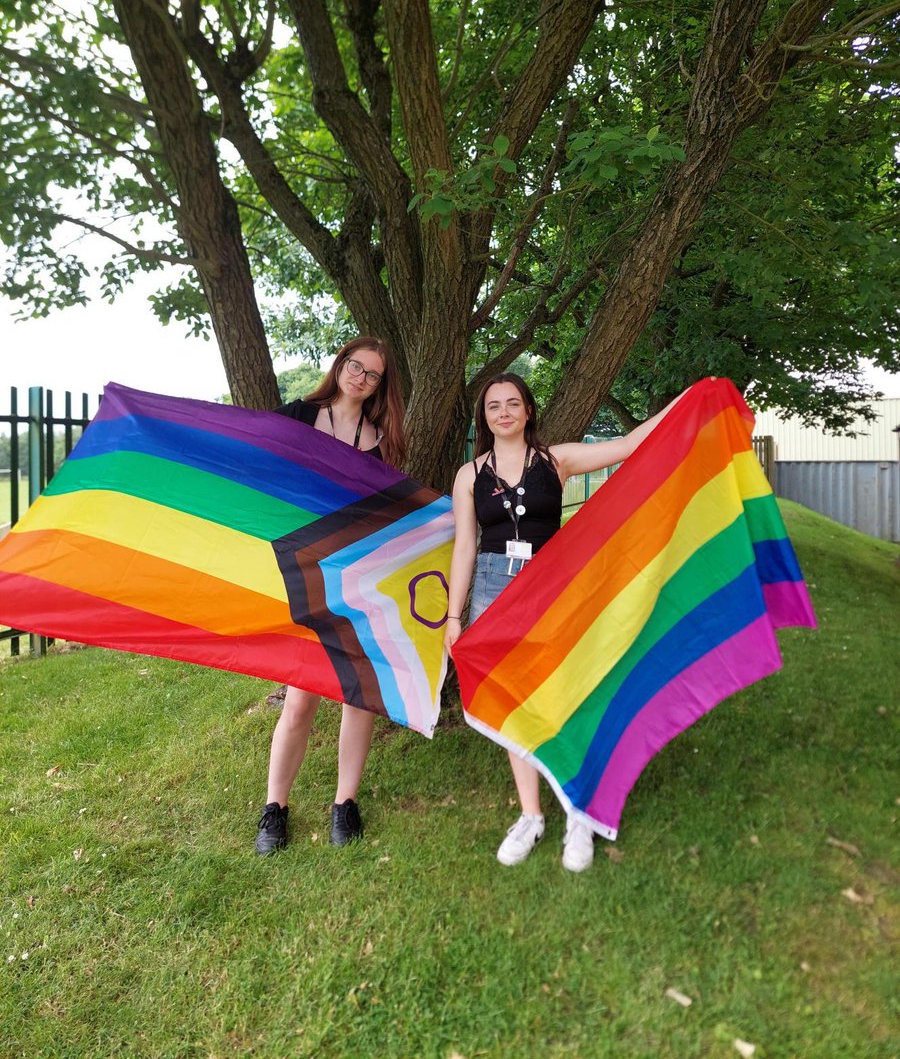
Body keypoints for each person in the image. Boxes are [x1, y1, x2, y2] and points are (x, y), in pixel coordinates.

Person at [444, 372, 680, 873]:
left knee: (567, 698)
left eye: (513, 403)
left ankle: (579, 813)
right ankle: (531, 815)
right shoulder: (469, 475)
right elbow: (465, 546)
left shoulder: (558, 460)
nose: (503, 412)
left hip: (552, 590)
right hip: (492, 591)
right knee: (514, 703)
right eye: (493, 406)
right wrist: (453, 616)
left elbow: (632, 444)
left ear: (528, 411)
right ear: (483, 417)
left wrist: (688, 398)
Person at [254, 336, 407, 855]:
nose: (359, 378)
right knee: (300, 697)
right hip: (300, 571)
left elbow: (390, 512)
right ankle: (275, 808)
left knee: (358, 695)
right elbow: (253, 458)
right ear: (339, 364)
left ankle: (345, 802)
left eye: (371, 374)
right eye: (354, 366)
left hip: (358, 575)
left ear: (380, 386)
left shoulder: (380, 438)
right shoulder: (297, 416)